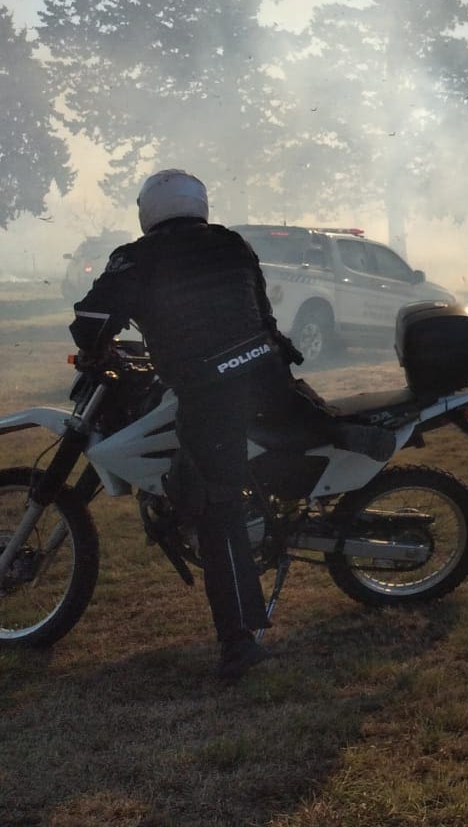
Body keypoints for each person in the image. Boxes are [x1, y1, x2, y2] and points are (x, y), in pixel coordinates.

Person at [69, 169, 305, 679]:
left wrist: (97, 348)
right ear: (198, 204)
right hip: (267, 378)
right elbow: (260, 313)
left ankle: (240, 643)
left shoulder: (138, 256)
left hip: (213, 390)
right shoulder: (231, 244)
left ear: (148, 209)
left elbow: (89, 321)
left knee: (214, 506)